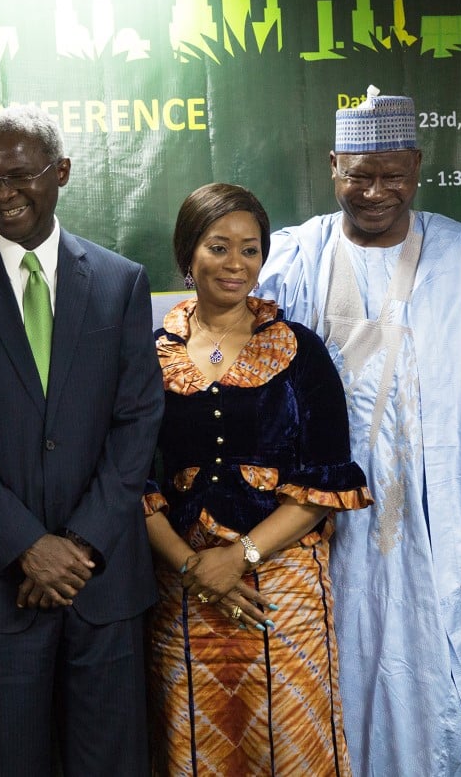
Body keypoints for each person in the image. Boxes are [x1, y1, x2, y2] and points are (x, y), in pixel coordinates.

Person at [257, 87, 461, 776]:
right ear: (333, 166)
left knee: (437, 674)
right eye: (358, 174)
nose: (374, 191)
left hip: (440, 525)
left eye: (392, 174)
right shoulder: (292, 257)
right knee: (341, 670)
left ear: (418, 166)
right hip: (319, 529)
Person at [0, 105, 164, 777]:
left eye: (19, 175)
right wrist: (28, 545)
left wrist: (78, 546)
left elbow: (136, 422)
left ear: (62, 172)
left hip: (100, 584)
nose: (2, 192)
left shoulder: (119, 280)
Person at [142, 183, 372, 776]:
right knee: (197, 748)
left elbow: (324, 487)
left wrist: (239, 557)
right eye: (219, 247)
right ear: (187, 255)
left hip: (284, 585)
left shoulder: (301, 352)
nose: (235, 264)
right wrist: (195, 567)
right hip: (185, 590)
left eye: (250, 249)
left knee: (292, 745)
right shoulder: (149, 357)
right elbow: (133, 484)